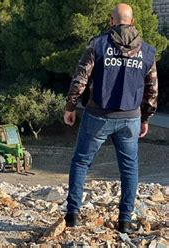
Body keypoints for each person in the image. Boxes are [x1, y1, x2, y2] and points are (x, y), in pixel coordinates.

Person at [63, 3, 158, 233]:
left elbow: (80, 79)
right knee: (129, 169)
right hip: (130, 120)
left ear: (111, 21)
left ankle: (72, 216)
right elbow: (152, 89)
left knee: (81, 162)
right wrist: (146, 117)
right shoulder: (147, 51)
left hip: (98, 116)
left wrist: (70, 106)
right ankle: (125, 221)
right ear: (133, 22)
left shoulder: (98, 45)